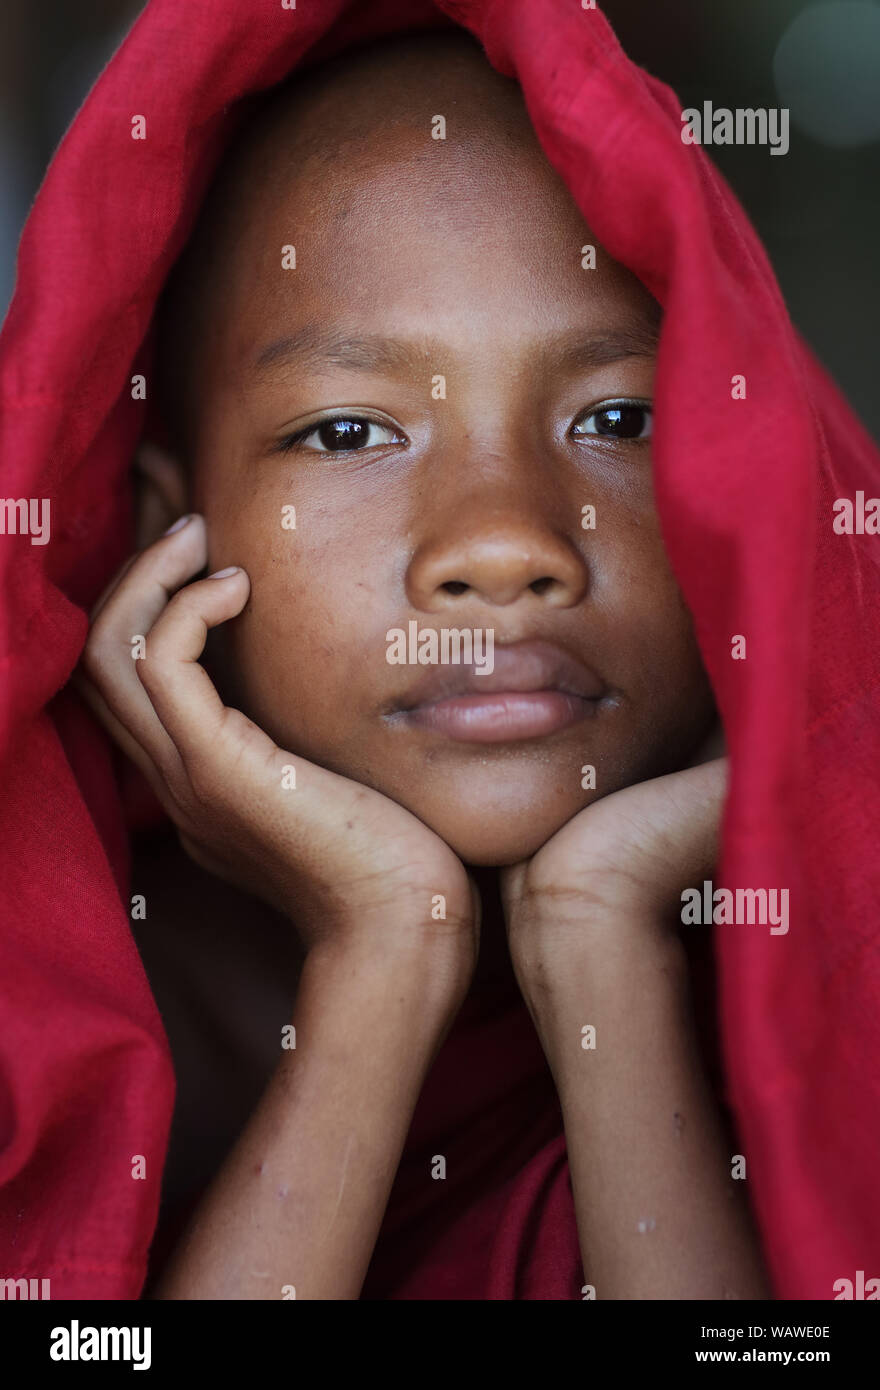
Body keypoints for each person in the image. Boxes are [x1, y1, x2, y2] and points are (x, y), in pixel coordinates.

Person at [3, 0, 879, 1304]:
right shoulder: (39, 1016)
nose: (505, 542)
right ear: (163, 536)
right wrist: (381, 953)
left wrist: (606, 953)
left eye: (618, 414)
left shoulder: (833, 964)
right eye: (351, 432)